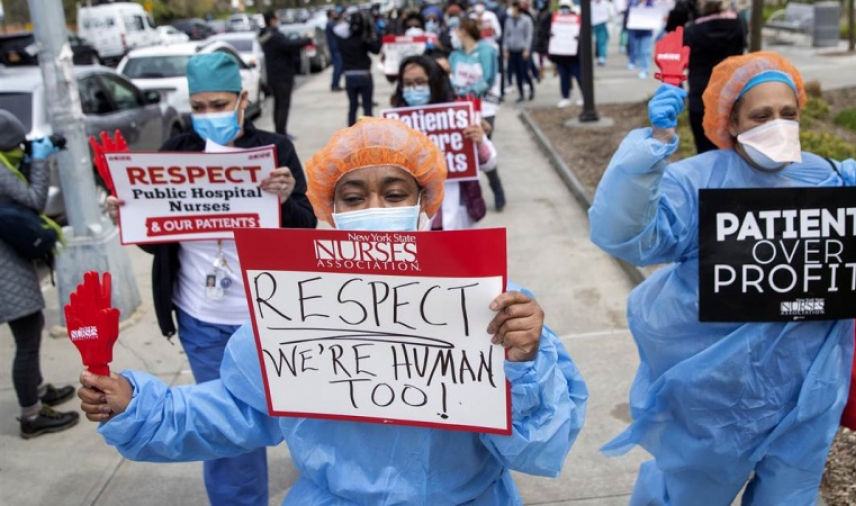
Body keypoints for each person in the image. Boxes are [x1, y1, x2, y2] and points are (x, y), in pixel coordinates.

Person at [78, 117, 589, 504]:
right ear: (331, 209)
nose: (375, 208)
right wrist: (138, 406)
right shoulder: (295, 305)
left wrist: (524, 363)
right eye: (354, 195)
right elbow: (239, 411)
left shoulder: (492, 301)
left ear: (424, 202)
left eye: (393, 193)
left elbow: (540, 448)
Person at [588, 52, 856, 505]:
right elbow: (624, 234)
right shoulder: (695, 183)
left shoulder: (834, 180)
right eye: (762, 115)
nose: (778, 123)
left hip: (806, 397)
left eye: (788, 113)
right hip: (715, 400)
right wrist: (653, 145)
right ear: (730, 122)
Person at [105, 52, 317, 506]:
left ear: (242, 100)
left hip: (268, 319)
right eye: (198, 107)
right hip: (202, 320)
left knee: (295, 417)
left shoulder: (276, 150)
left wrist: (282, 198)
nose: (208, 115)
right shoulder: (174, 154)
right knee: (223, 431)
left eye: (218, 104)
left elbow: (306, 229)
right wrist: (130, 214)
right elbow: (156, 242)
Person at [0, 111, 79, 440]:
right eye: (17, 144)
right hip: (5, 271)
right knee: (28, 340)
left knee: (32, 331)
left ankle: (39, 389)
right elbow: (34, 200)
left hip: (10, 263)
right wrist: (39, 160)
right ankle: (31, 416)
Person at [391, 54, 496, 230]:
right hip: (414, 220)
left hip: (455, 213)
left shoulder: (459, 116)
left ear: (434, 82)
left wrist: (478, 143)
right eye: (407, 84)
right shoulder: (394, 123)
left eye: (420, 82)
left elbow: (490, 163)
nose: (413, 88)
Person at [449, 17, 507, 212]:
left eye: (457, 29)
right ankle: (473, 196)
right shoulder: (455, 55)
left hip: (484, 108)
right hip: (459, 108)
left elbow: (489, 78)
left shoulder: (487, 51)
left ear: (464, 31)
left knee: (482, 149)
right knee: (465, 152)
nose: (454, 34)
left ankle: (496, 187)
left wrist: (467, 92)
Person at [684, 0, 746, 153]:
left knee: (704, 151)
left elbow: (686, 60)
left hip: (701, 96)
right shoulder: (739, 25)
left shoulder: (691, 31)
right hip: (731, 95)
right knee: (733, 150)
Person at [259, 10, 312, 138]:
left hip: (274, 76)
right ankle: (281, 133)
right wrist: (307, 39)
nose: (278, 20)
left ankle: (279, 131)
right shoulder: (274, 36)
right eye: (276, 18)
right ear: (271, 20)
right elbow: (290, 45)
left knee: (278, 105)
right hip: (282, 76)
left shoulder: (265, 35)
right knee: (283, 106)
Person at [336, 8, 382, 126]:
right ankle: (368, 131)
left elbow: (337, 31)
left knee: (353, 106)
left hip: (349, 76)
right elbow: (376, 49)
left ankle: (351, 131)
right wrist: (375, 33)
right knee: (367, 106)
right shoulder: (363, 39)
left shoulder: (342, 40)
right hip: (364, 75)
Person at [548, 0, 584, 108]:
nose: (564, 10)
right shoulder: (556, 20)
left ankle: (584, 95)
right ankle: (565, 96)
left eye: (566, 7)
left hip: (574, 55)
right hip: (561, 55)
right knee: (564, 77)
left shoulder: (577, 20)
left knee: (579, 76)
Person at [503, 1, 535, 102]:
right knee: (517, 73)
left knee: (524, 71)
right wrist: (505, 49)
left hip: (522, 49)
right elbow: (506, 35)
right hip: (512, 49)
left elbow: (529, 35)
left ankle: (531, 89)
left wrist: (527, 49)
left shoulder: (526, 20)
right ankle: (521, 94)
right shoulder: (509, 20)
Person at [625, 0, 655, 79]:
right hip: (636, 31)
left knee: (644, 51)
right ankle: (640, 66)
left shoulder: (650, 4)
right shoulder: (633, 4)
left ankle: (644, 69)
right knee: (638, 51)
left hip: (647, 32)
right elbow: (628, 15)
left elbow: (654, 16)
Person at [591, 0, 616, 65]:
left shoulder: (606, 3)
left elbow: (611, 14)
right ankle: (598, 56)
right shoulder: (591, 4)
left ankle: (602, 57)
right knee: (595, 42)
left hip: (603, 24)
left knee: (602, 42)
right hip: (593, 25)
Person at [326, 8, 344, 92]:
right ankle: (334, 85)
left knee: (339, 67)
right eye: (334, 13)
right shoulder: (330, 24)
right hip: (335, 49)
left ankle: (336, 84)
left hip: (337, 48)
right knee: (338, 67)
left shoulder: (332, 23)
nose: (336, 14)